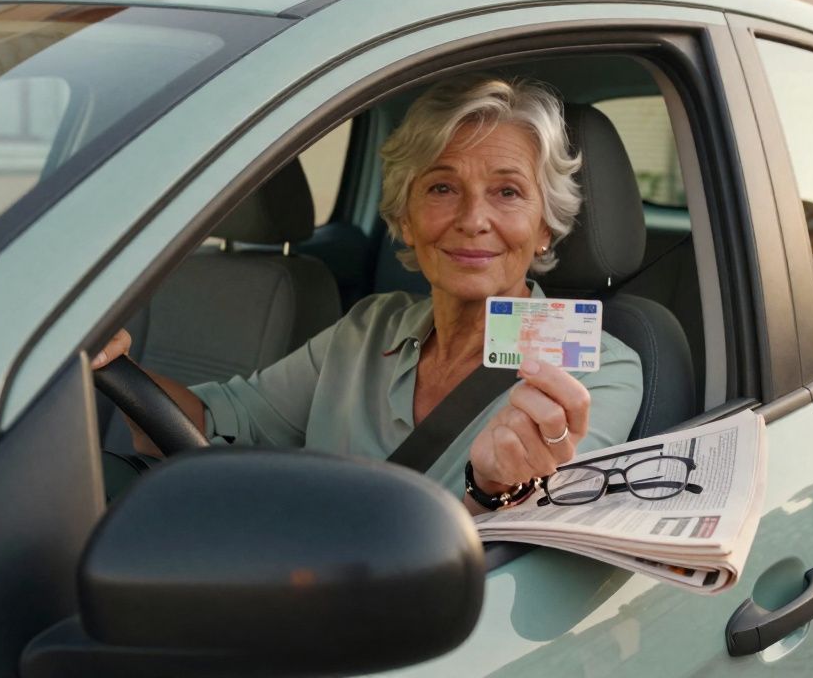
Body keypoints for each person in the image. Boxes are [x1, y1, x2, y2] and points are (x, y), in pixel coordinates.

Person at [93, 75, 643, 515]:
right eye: (442, 187)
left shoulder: (599, 369)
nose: (474, 220)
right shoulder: (370, 327)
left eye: (507, 191)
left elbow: (532, 551)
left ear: (545, 225)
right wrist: (106, 359)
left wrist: (493, 488)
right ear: (404, 218)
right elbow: (215, 423)